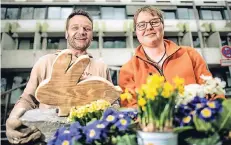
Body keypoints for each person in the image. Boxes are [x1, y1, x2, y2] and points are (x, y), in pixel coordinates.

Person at [6, 9, 112, 144]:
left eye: (87, 28)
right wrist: (13, 118)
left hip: (89, 139)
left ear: (92, 35)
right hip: (48, 139)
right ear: (66, 33)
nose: (82, 32)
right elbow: (27, 99)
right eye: (75, 28)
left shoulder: (101, 67)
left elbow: (112, 103)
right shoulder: (46, 62)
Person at [119, 6, 213, 107]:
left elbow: (212, 91)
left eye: (154, 22)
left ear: (163, 26)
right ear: (136, 32)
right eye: (141, 25)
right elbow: (131, 109)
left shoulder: (190, 54)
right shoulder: (128, 70)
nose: (149, 27)